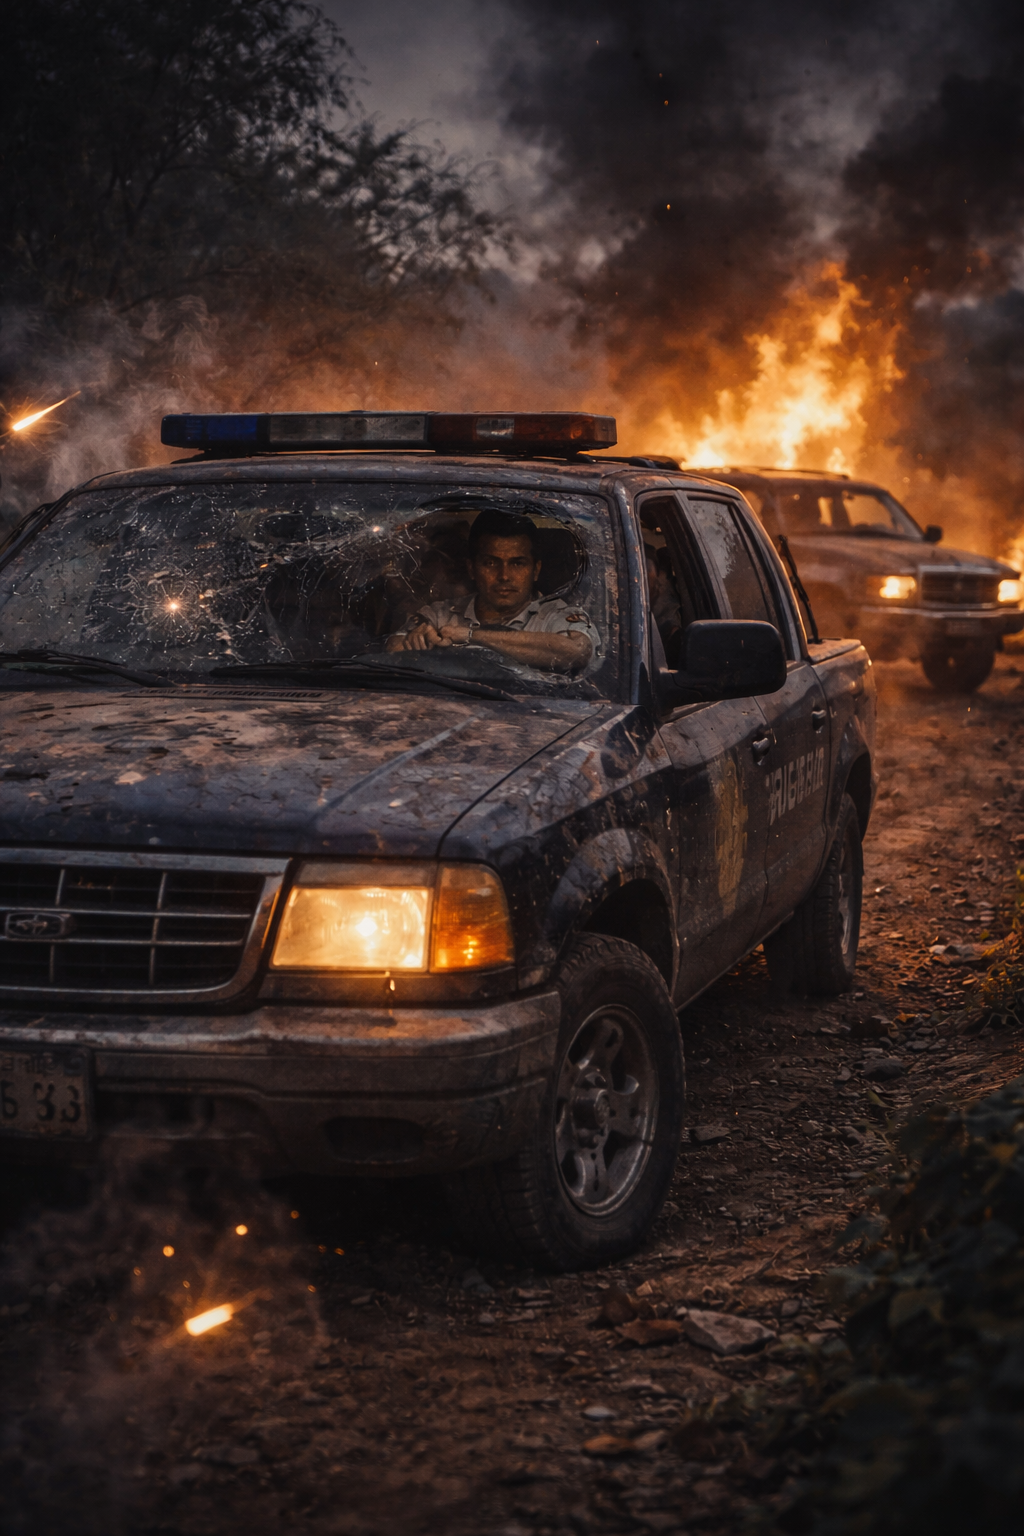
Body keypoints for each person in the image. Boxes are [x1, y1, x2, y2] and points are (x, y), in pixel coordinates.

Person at [385, 509, 599, 674]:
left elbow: (577, 652)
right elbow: (392, 648)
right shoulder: (442, 613)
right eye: (490, 563)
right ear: (472, 569)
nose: (504, 576)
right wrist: (416, 642)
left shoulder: (557, 616)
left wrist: (470, 636)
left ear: (536, 570)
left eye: (517, 564)